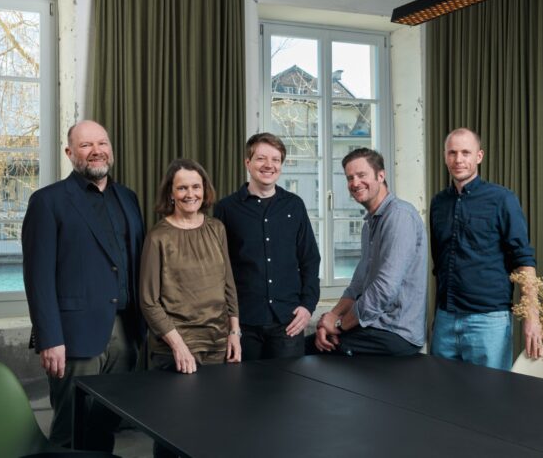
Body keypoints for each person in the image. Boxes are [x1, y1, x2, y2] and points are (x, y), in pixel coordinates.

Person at [22, 120, 145, 451]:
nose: (96, 151)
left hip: (126, 332)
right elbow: (37, 277)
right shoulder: (47, 201)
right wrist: (50, 338)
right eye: (86, 145)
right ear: (69, 152)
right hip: (73, 335)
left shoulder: (128, 198)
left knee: (105, 425)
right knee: (71, 428)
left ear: (111, 150)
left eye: (102, 143)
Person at [140, 158, 240, 458]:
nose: (190, 194)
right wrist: (179, 346)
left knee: (213, 430)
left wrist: (234, 332)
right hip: (175, 349)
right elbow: (149, 301)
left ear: (204, 190)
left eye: (196, 187)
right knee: (174, 434)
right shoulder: (158, 237)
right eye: (182, 188)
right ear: (171, 193)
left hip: (217, 345)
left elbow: (228, 284)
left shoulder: (216, 228)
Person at [429, 127, 542, 371]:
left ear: (479, 156)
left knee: (490, 393)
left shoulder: (502, 199)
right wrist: (437, 318)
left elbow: (523, 260)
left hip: (488, 322)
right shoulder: (438, 203)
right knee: (439, 392)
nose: (458, 159)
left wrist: (532, 317)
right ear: (445, 157)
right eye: (452, 153)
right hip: (445, 320)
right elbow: (439, 265)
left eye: (466, 153)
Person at [309, 148, 427, 356]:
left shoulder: (399, 216)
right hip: (374, 327)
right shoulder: (369, 224)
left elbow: (385, 289)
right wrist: (329, 319)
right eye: (350, 178)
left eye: (361, 175)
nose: (355, 183)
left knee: (306, 351)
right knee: (310, 345)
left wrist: (339, 324)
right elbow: (358, 285)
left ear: (381, 176)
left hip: (396, 332)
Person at [214, 133, 320, 360]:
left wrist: (308, 305)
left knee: (290, 384)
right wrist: (229, 321)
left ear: (281, 165)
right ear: (248, 162)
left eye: (275, 159)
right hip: (243, 322)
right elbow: (217, 268)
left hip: (288, 322)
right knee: (243, 383)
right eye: (261, 158)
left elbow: (310, 258)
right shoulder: (226, 209)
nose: (269, 165)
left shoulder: (294, 205)